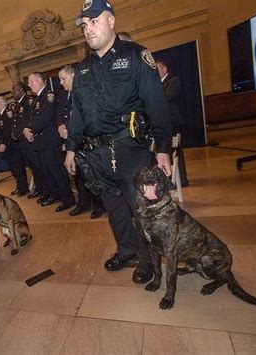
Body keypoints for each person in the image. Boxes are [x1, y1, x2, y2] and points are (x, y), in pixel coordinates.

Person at [65, 0, 172, 284]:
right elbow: (76, 113)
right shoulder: (83, 69)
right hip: (96, 154)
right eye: (84, 25)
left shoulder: (137, 56)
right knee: (114, 209)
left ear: (111, 21)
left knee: (141, 210)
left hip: (129, 149)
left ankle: (148, 261)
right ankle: (127, 251)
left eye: (95, 21)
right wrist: (71, 149)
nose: (88, 30)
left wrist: (163, 148)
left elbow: (157, 104)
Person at [57, 64, 105, 219]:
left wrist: (71, 130)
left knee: (92, 175)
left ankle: (99, 205)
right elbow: (60, 114)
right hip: (73, 141)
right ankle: (83, 203)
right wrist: (61, 126)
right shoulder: (65, 95)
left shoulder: (84, 91)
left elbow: (87, 117)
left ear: (73, 75)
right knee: (78, 175)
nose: (61, 82)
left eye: (63, 78)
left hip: (86, 140)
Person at [25, 72, 75, 212]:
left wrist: (31, 130)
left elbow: (44, 117)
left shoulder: (49, 95)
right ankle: (56, 194)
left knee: (57, 171)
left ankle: (68, 198)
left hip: (50, 141)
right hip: (41, 142)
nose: (29, 85)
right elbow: (32, 119)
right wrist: (28, 129)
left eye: (31, 81)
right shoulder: (37, 99)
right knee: (48, 171)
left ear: (40, 81)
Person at [156, 58, 189, 187]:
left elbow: (168, 97)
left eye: (158, 69)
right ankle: (171, 180)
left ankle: (181, 180)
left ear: (164, 69)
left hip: (173, 122)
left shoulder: (173, 81)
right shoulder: (159, 84)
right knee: (168, 152)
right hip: (165, 123)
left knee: (176, 152)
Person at [11, 82, 46, 200]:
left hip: (29, 140)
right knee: (32, 167)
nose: (13, 92)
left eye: (15, 90)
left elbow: (27, 120)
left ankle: (44, 189)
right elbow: (17, 122)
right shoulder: (18, 104)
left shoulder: (28, 101)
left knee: (38, 166)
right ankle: (39, 189)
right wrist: (15, 133)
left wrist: (20, 132)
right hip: (22, 141)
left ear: (21, 90)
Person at [0, 96, 28, 196]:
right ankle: (19, 186)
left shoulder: (8, 114)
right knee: (13, 168)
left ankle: (23, 188)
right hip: (8, 148)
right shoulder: (0, 116)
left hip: (13, 147)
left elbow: (9, 130)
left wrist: (4, 143)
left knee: (18, 167)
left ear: (0, 104)